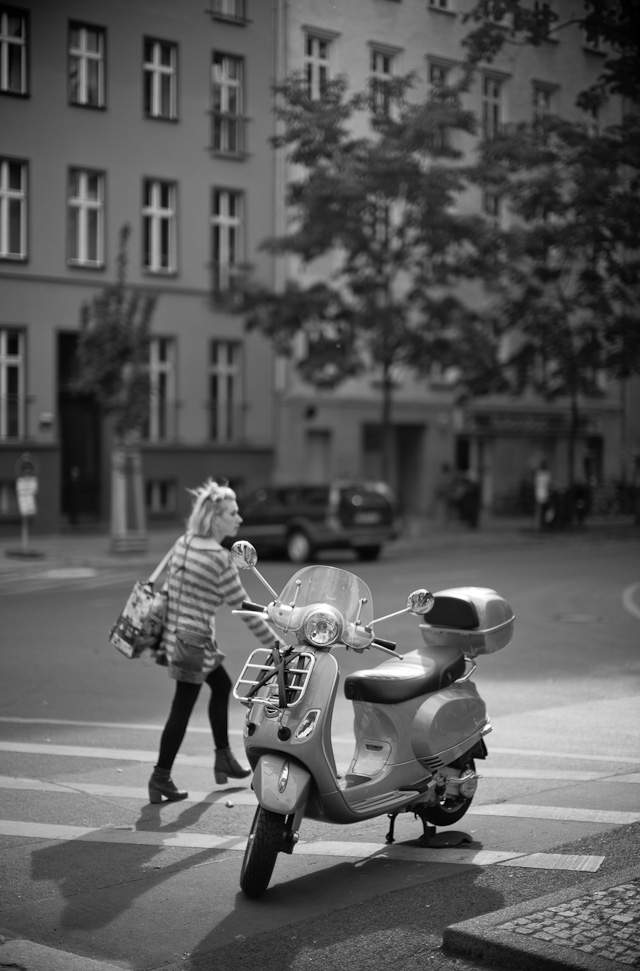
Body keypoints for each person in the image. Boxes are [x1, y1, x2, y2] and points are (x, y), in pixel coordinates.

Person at [148, 477, 283, 804]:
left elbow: (169, 589)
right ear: (214, 517)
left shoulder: (185, 542)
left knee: (221, 688)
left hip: (176, 637)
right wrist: (277, 644)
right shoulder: (219, 559)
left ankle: (222, 757)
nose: (238, 518)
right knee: (182, 707)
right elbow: (247, 610)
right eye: (232, 513)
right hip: (193, 643)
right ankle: (161, 777)